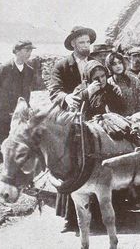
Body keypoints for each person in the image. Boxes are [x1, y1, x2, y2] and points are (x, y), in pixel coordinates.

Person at [48, 26, 96, 233]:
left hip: (94, 116)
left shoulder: (95, 63)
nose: (86, 46)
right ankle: (71, 217)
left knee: (99, 159)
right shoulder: (61, 66)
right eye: (82, 43)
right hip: (70, 118)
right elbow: (54, 91)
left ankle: (104, 211)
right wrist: (66, 97)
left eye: (88, 42)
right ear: (74, 44)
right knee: (70, 162)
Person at [0, 40, 36, 163]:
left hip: (22, 112)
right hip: (4, 113)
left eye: (31, 51)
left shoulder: (30, 71)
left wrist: (27, 106)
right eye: (27, 50)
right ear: (16, 51)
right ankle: (3, 160)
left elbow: (27, 92)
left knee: (21, 139)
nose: (30, 53)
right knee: (4, 139)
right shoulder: (2, 69)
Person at [105, 52, 140, 116]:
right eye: (114, 64)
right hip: (117, 120)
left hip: (136, 118)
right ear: (109, 66)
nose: (118, 66)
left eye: (120, 63)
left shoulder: (134, 81)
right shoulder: (108, 83)